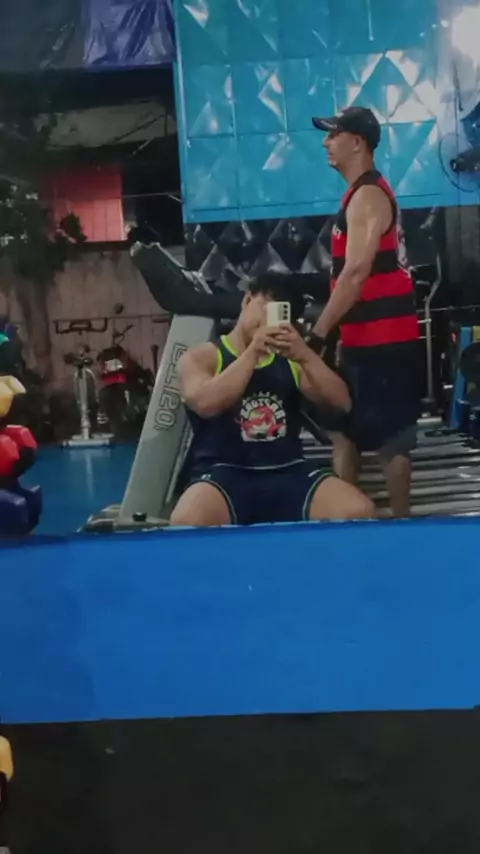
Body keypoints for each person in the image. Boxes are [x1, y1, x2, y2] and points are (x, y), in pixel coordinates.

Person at [170, 272, 374, 527]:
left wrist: (306, 356)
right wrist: (253, 353)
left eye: (277, 314)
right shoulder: (202, 358)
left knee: (358, 511)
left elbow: (342, 403)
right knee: (187, 520)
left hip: (287, 469)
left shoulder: (291, 359)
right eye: (264, 309)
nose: (266, 322)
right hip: (225, 472)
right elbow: (205, 404)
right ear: (247, 300)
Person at [309, 106, 421, 517]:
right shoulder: (356, 194)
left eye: (333, 134)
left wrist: (319, 334)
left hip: (385, 343)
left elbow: (356, 273)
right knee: (343, 432)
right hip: (359, 341)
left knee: (392, 441)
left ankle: (403, 525)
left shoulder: (369, 195)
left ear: (357, 142)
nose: (326, 143)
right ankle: (346, 519)